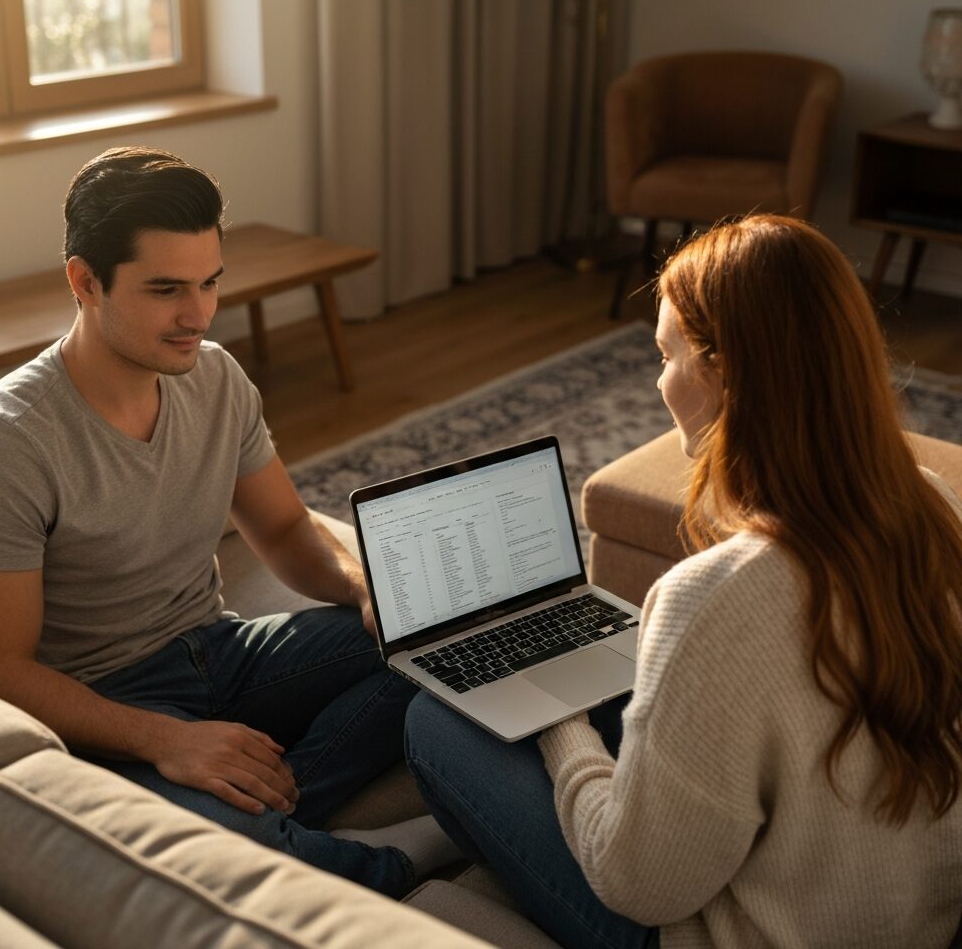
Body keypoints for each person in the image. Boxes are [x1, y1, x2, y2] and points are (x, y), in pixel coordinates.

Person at [404, 214, 962, 948]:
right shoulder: (935, 506)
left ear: (723, 372)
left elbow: (640, 886)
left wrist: (557, 718)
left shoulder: (718, 595)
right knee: (625, 696)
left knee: (435, 722)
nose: (659, 379)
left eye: (667, 354)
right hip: (918, 921)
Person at [0, 146, 459, 898]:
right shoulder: (6, 446)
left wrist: (363, 591)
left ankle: (271, 809)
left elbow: (283, 533)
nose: (200, 315)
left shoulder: (215, 378)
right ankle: (396, 856)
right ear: (85, 282)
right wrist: (168, 742)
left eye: (211, 282)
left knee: (440, 641)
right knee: (205, 856)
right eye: (166, 290)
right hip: (104, 702)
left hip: (221, 649)